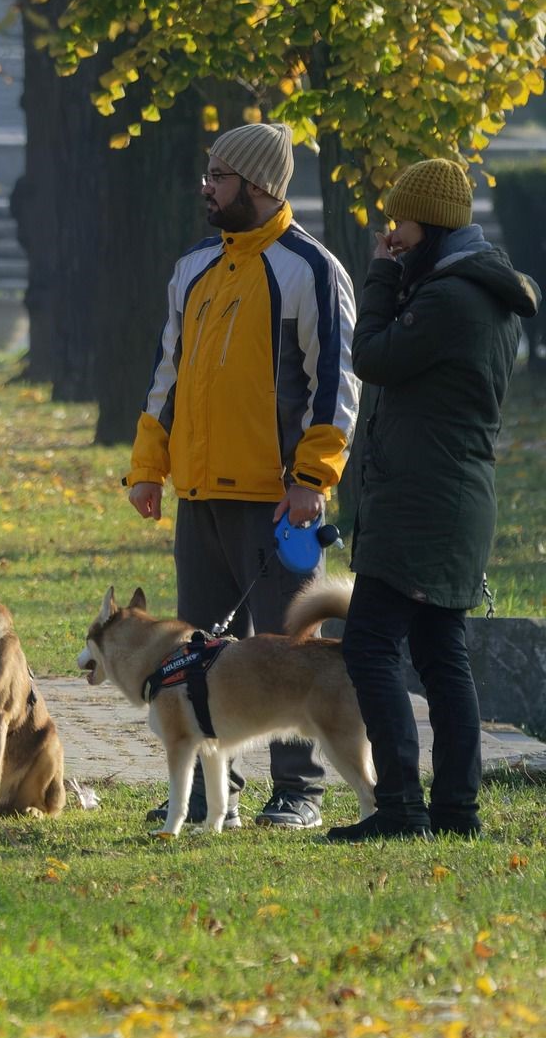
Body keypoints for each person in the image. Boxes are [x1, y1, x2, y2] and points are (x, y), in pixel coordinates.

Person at [125, 121, 360, 830]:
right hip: (199, 497)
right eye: (208, 173)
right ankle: (199, 798)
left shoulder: (311, 269)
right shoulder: (193, 266)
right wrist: (148, 467)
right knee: (194, 656)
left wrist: (312, 478)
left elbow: (336, 383)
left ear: (258, 186)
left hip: (278, 503)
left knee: (292, 656)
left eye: (219, 177)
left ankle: (299, 793)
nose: (207, 187)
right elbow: (169, 375)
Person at [327, 160, 540, 842]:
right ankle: (455, 809)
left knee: (368, 644)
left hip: (425, 503)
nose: (392, 232)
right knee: (441, 652)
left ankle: (399, 807)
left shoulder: (452, 300)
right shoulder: (475, 290)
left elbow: (374, 356)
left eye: (401, 221)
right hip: (446, 500)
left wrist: (383, 277)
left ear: (430, 224)